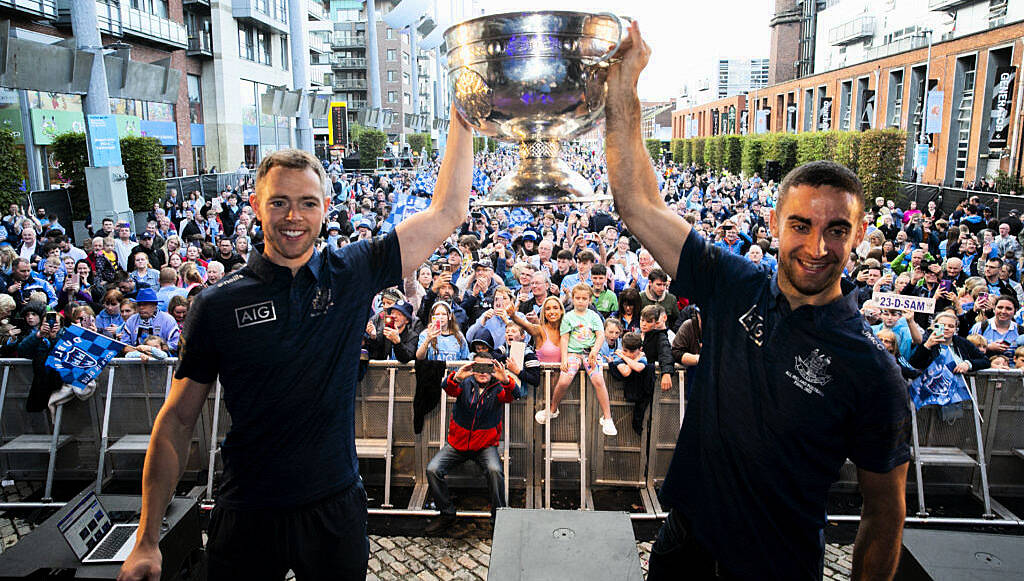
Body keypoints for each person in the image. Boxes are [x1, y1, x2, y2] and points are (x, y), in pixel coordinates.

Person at [605, 23, 909, 580]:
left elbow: (885, 515)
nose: (818, 247)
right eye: (801, 225)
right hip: (683, 545)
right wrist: (624, 88)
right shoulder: (733, 283)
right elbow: (637, 204)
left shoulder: (873, 371)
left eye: (837, 230)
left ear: (860, 234)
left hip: (777, 567)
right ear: (774, 223)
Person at [120, 110, 472, 580]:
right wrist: (146, 540)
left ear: (326, 206)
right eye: (280, 202)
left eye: (307, 203)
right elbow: (177, 421)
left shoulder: (352, 272)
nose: (293, 217)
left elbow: (447, 212)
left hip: (334, 507)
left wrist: (464, 116)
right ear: (255, 204)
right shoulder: (216, 304)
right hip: (247, 510)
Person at [424, 352, 516, 534]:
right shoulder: (465, 382)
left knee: (495, 471)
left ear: (493, 369)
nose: (483, 372)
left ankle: (499, 519)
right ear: (473, 368)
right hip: (457, 444)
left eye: (487, 368)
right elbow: (448, 389)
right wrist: (457, 377)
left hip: (485, 445)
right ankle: (447, 514)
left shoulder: (498, 386)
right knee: (432, 469)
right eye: (478, 367)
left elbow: (513, 395)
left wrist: (505, 380)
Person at [535, 283, 616, 436]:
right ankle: (552, 409)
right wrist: (564, 358)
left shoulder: (593, 316)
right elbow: (564, 339)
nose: (580, 301)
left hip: (590, 353)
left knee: (598, 380)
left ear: (590, 300)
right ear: (572, 299)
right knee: (564, 380)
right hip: (573, 353)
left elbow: (600, 335)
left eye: (584, 298)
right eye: (577, 298)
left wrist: (595, 351)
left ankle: (608, 417)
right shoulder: (568, 317)